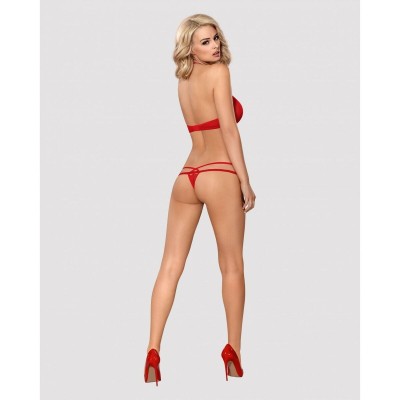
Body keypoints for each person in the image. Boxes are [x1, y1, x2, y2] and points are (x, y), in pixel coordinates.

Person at [144, 14, 256, 386]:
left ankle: (152, 349)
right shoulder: (219, 73)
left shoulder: (184, 79)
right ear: (190, 48)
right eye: (205, 42)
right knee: (232, 265)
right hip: (219, 172)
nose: (215, 46)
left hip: (186, 176)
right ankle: (233, 351)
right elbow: (229, 130)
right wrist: (245, 181)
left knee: (169, 266)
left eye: (216, 38)